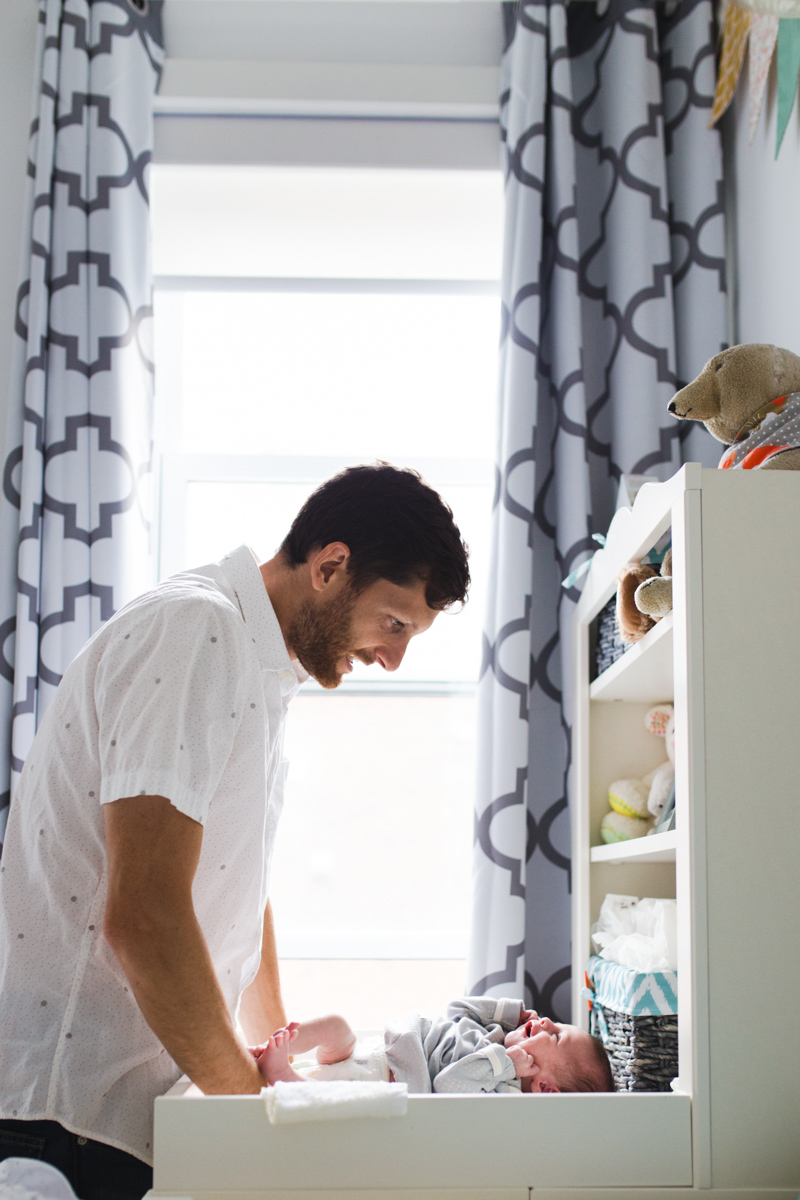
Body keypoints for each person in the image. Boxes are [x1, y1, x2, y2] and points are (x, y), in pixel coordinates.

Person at [0, 464, 470, 1200]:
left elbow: (234, 887)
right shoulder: (197, 630)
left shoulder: (257, 667)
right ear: (331, 567)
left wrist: (279, 1049)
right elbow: (146, 916)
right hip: (70, 1120)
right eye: (395, 622)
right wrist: (253, 1113)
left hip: (118, 1117)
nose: (392, 656)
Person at [254, 997, 615, 1095]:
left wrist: (505, 1063)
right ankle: (268, 1048)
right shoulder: (493, 1033)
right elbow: (456, 1009)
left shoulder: (502, 1089)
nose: (547, 1022)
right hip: (374, 1050)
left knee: (328, 1098)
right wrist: (508, 1012)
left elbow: (447, 1084)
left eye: (554, 1035)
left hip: (385, 1082)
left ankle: (285, 1078)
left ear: (545, 1086)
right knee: (337, 1026)